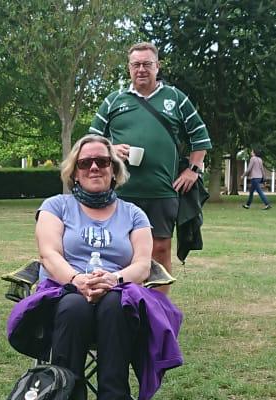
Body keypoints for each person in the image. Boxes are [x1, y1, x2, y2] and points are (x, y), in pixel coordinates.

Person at [6, 135, 183, 400]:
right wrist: (77, 280)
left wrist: (113, 278)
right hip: (65, 291)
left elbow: (143, 264)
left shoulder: (133, 214)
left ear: (115, 170)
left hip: (119, 291)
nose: (94, 168)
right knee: (74, 306)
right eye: (85, 163)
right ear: (74, 172)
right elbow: (49, 254)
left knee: (115, 306)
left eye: (102, 161)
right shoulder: (55, 207)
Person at [88, 42, 211, 293]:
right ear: (129, 68)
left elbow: (200, 137)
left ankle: (158, 310)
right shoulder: (114, 101)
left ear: (157, 66)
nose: (141, 69)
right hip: (120, 192)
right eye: (136, 65)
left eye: (147, 64)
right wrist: (111, 150)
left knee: (161, 249)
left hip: (162, 190)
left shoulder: (176, 98)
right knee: (118, 250)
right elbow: (91, 142)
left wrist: (193, 170)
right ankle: (122, 304)